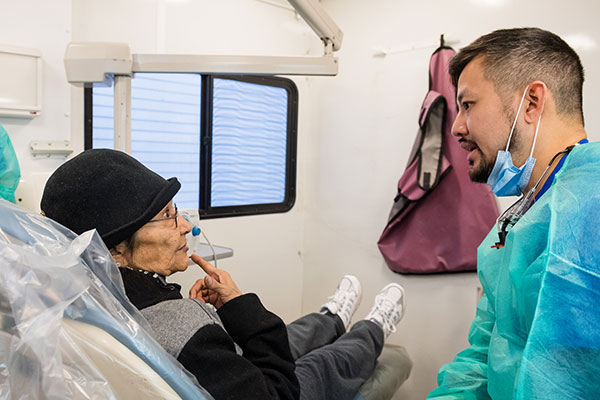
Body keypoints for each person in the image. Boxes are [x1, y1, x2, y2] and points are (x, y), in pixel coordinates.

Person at [40, 148, 406, 400]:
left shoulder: (81, 299)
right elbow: (278, 391)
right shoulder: (183, 327)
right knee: (321, 365)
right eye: (167, 216)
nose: (184, 225)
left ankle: (331, 317)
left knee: (288, 337)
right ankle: (373, 327)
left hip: (220, 377)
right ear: (115, 248)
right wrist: (238, 306)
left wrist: (201, 319)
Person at [427, 27, 600, 399]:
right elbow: (486, 354)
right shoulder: (513, 226)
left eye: (468, 104)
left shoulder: (593, 203)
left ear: (532, 102)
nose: (457, 127)